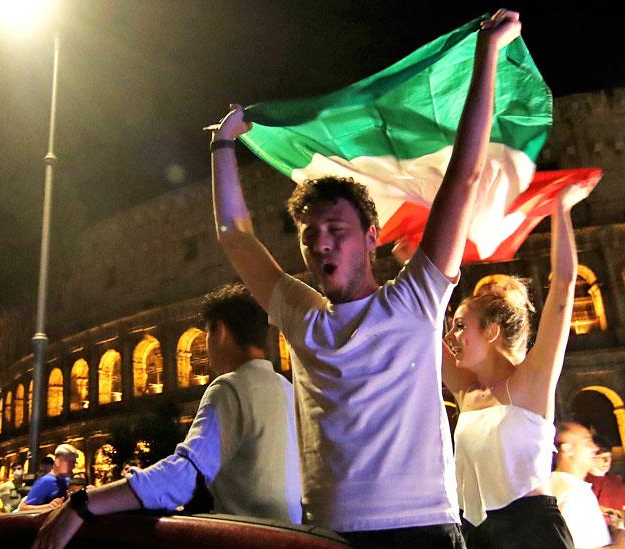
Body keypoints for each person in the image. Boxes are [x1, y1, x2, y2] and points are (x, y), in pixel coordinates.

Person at [205, 7, 527, 546]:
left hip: (422, 528)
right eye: (309, 235)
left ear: (371, 236)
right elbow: (234, 236)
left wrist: (487, 55)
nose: (320, 242)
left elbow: (464, 175)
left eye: (336, 228)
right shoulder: (300, 315)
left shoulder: (417, 298)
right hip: (331, 534)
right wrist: (222, 146)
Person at [33, 284, 302, 549]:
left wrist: (81, 504)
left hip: (245, 540)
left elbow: (183, 476)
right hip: (287, 537)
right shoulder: (287, 389)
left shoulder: (230, 387)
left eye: (206, 334)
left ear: (218, 331)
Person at [445, 166, 588, 547]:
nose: (451, 337)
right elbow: (423, 323)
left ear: (491, 332)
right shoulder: (467, 392)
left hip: (531, 534)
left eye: (460, 326)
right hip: (474, 534)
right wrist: (421, 259)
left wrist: (561, 208)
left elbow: (563, 286)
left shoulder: (531, 382)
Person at [551, 423, 625, 549]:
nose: (594, 448)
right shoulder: (572, 494)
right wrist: (622, 546)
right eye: (587, 442)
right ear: (567, 449)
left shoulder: (562, 486)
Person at [585, 436, 625, 528]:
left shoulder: (617, 482)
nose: (606, 461)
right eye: (602, 457)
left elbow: (624, 510)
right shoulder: (583, 483)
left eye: (609, 456)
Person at [19, 445, 77, 512]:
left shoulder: (66, 480)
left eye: (74, 463)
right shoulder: (45, 482)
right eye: (70, 463)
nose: (73, 466)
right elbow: (23, 508)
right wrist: (49, 506)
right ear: (58, 461)